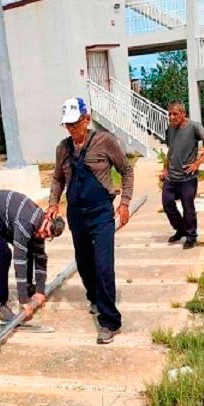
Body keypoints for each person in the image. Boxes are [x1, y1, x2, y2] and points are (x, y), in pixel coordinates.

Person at [45, 98, 134, 345]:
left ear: (86, 118)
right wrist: (53, 203)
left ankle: (109, 322)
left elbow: (126, 170)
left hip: (101, 213)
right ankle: (95, 297)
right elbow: (57, 179)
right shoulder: (63, 148)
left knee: (104, 265)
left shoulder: (105, 141)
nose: (72, 129)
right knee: (84, 264)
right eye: (68, 125)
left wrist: (124, 202)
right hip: (76, 214)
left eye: (75, 123)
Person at [0, 189, 65, 322]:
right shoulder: (26, 223)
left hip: (4, 216)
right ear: (47, 219)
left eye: (48, 237)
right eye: (46, 232)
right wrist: (24, 301)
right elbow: (19, 261)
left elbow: (40, 258)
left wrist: (40, 291)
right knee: (4, 254)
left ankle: (28, 287)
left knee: (32, 247)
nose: (43, 236)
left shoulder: (41, 226)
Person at [161, 101, 204, 249]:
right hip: (171, 177)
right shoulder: (170, 129)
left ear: (183, 114)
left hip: (187, 178)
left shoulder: (194, 127)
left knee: (188, 208)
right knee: (167, 204)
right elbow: (170, 151)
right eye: (169, 114)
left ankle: (191, 236)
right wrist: (165, 169)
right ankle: (181, 229)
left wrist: (198, 163)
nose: (171, 117)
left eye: (175, 114)